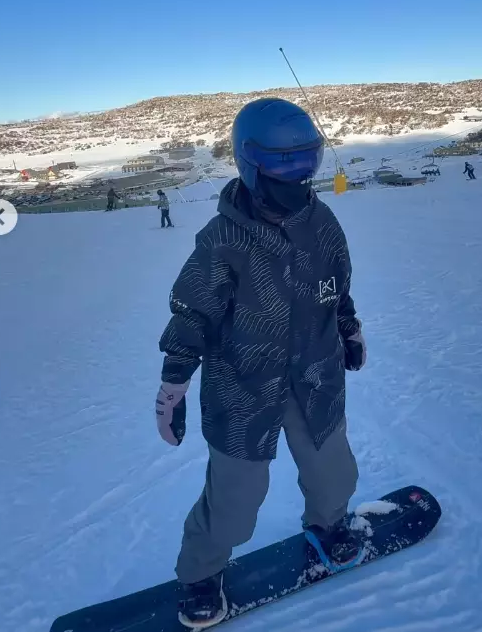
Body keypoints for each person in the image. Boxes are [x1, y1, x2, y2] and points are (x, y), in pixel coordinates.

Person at [155, 98, 367, 629]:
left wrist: (349, 326)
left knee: (332, 471)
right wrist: (174, 383)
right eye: (282, 164)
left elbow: (337, 287)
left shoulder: (322, 224)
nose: (297, 177)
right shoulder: (223, 239)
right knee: (236, 496)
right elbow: (192, 311)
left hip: (315, 376)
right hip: (243, 386)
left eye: (306, 162)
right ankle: (200, 573)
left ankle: (328, 526)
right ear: (250, 164)